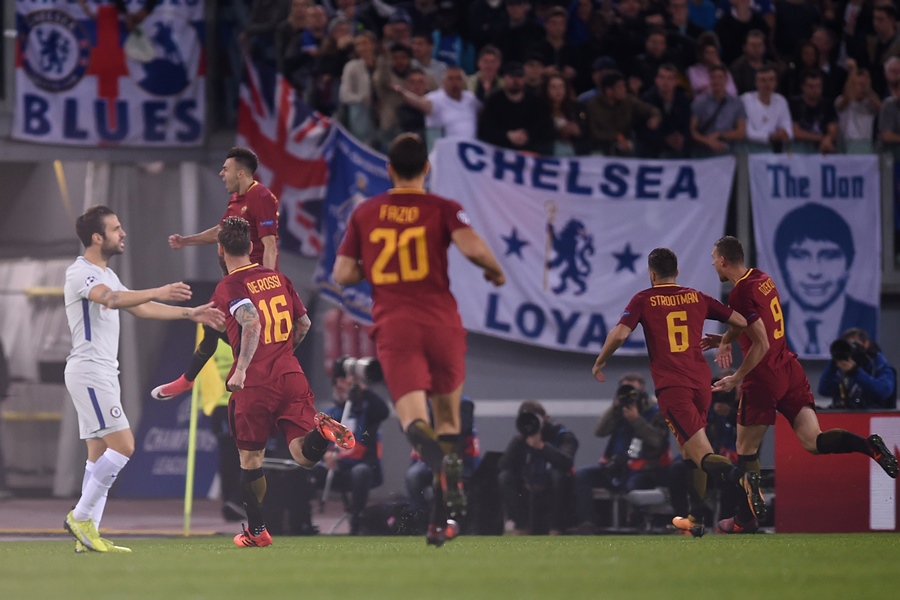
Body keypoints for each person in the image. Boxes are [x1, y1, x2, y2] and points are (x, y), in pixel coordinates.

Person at [332, 133, 506, 547]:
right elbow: (473, 247)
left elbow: (342, 274)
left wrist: (374, 267)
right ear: (426, 168)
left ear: (389, 169)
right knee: (449, 422)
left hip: (397, 326)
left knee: (414, 422)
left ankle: (445, 486)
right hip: (442, 323)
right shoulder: (444, 208)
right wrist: (495, 272)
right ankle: (440, 518)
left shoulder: (367, 213)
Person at [705, 236, 899, 534]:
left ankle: (744, 520)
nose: (712, 262)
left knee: (746, 448)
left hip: (763, 376)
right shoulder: (761, 278)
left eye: (713, 257)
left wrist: (737, 377)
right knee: (813, 441)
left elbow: (760, 343)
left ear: (723, 261)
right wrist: (724, 340)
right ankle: (866, 446)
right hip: (789, 368)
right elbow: (754, 325)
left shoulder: (739, 294)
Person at [63, 206, 225, 553]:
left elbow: (138, 307)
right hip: (90, 371)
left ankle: (85, 536)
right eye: (116, 228)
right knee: (124, 447)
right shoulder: (81, 273)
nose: (123, 234)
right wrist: (160, 289)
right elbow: (113, 300)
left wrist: (189, 312)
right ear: (97, 237)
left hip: (104, 372)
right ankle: (80, 517)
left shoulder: (106, 273)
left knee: (98, 456)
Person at [591, 247, 766, 539]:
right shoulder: (696, 296)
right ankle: (695, 520)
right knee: (689, 451)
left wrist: (600, 360)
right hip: (701, 384)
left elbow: (620, 333)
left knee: (701, 453)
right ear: (677, 272)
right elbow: (741, 321)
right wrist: (725, 341)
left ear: (651, 273)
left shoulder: (644, 299)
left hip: (674, 388)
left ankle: (743, 479)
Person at [211, 216, 355, 548]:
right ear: (250, 247)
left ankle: (257, 531)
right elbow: (302, 323)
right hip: (290, 373)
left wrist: (243, 368)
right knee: (304, 456)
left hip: (255, 383)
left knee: (251, 461)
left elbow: (251, 324)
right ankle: (321, 431)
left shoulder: (229, 286)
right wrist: (283, 355)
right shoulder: (278, 277)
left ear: (220, 250)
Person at [151, 147, 279, 402]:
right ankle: (190, 380)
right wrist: (187, 241)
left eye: (226, 169)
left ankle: (248, 377)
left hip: (249, 284)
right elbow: (221, 231)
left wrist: (267, 285)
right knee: (214, 324)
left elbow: (270, 246)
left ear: (240, 173)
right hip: (233, 279)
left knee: (230, 327)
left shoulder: (261, 196)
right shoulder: (236, 200)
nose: (221, 174)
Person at [772, 203, 878, 356]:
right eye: (800, 255)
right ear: (781, 265)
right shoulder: (767, 321)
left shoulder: (869, 315)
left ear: (849, 262)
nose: (815, 272)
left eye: (829, 256)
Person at [570, 374, 671, 534]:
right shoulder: (618, 411)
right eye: (625, 389)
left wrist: (636, 420)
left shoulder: (655, 412)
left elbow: (657, 441)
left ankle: (637, 523)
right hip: (616, 467)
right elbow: (599, 431)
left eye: (633, 389)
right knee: (583, 476)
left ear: (642, 389)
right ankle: (587, 523)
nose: (629, 393)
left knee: (633, 487)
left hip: (643, 470)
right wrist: (614, 407)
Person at [312, 363, 390, 535]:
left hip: (363, 467)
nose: (340, 386)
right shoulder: (331, 414)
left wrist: (361, 388)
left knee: (360, 472)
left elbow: (383, 412)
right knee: (305, 472)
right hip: (336, 469)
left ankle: (357, 522)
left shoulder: (367, 410)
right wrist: (325, 455)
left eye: (344, 381)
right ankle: (302, 522)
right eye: (336, 382)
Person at [497, 400, 578, 535]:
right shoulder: (522, 439)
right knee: (505, 477)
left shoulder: (562, 435)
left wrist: (542, 447)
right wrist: (519, 441)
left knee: (557, 474)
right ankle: (521, 526)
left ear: (545, 418)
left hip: (556, 490)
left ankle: (555, 528)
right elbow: (503, 466)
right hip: (527, 490)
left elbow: (566, 461)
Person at [406, 397, 481, 534]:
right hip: (430, 460)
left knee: (445, 475)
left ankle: (450, 525)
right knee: (413, 476)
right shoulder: (423, 405)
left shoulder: (464, 404)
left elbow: (461, 430)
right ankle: (423, 526)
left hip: (457, 458)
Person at [818, 328, 897, 409]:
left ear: (866, 344)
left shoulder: (878, 365)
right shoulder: (844, 365)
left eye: (854, 344)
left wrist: (855, 372)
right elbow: (824, 390)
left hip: (874, 416)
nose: (851, 349)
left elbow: (884, 391)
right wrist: (834, 361)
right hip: (848, 416)